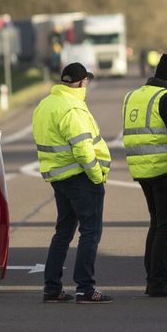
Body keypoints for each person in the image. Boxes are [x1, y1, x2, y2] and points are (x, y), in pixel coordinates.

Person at [34, 61, 113, 304]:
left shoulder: (46, 104)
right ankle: (85, 288)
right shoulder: (73, 108)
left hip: (59, 178)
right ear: (81, 83)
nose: (87, 84)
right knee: (90, 232)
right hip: (81, 177)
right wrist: (97, 176)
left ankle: (52, 287)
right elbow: (82, 149)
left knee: (63, 232)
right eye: (86, 80)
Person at [123, 52, 167, 296]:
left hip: (142, 170)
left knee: (157, 223)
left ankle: (152, 278)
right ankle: (158, 281)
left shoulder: (134, 95)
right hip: (166, 170)